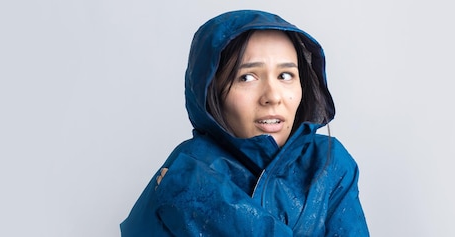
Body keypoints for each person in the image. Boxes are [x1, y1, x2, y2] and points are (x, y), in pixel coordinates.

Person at [120, 9, 369, 236]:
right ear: (211, 90)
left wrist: (217, 210)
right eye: (247, 77)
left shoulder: (328, 162)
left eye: (286, 75)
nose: (272, 96)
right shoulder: (187, 167)